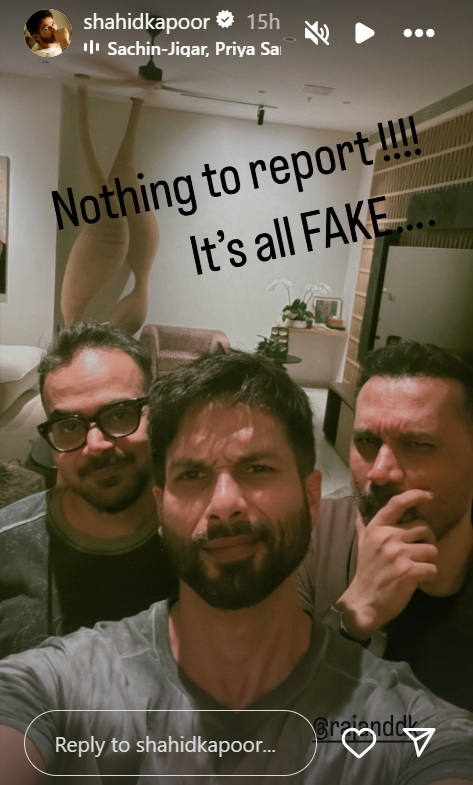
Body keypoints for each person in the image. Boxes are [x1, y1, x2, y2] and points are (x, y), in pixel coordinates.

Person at [1, 350, 472, 784]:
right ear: (160, 509)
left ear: (311, 498)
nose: (225, 504)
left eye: (257, 469)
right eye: (192, 475)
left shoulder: (413, 725)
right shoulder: (58, 682)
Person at [299, 341, 473, 711]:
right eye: (366, 440)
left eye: (418, 444)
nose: (379, 472)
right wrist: (354, 613)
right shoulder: (310, 534)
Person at [0, 321, 177, 657]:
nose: (96, 445)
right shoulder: (6, 546)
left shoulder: (203, 538)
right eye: (68, 426)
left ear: (155, 413)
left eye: (120, 414)